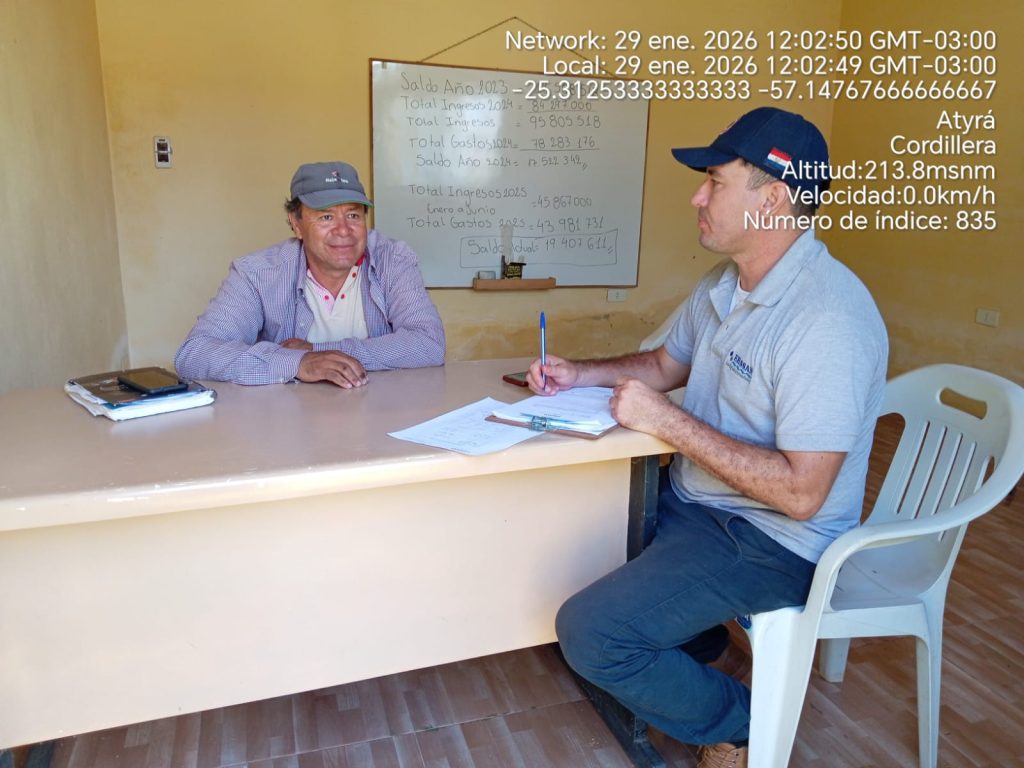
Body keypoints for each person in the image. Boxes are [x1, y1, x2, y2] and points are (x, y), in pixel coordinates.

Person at [528, 108, 888, 767]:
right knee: (557, 546)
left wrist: (667, 422)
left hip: (770, 541)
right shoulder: (725, 284)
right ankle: (691, 645)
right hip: (697, 506)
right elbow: (666, 365)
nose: (697, 196)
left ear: (773, 196)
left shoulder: (827, 319)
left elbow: (803, 494)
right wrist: (580, 373)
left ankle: (749, 725)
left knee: (591, 632)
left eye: (715, 181)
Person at [175, 161, 445, 387]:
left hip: (382, 418)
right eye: (326, 217)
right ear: (297, 224)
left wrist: (316, 352)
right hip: (288, 427)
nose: (343, 230)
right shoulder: (257, 274)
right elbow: (195, 354)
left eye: (353, 215)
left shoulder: (392, 259)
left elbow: (428, 344)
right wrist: (298, 363)